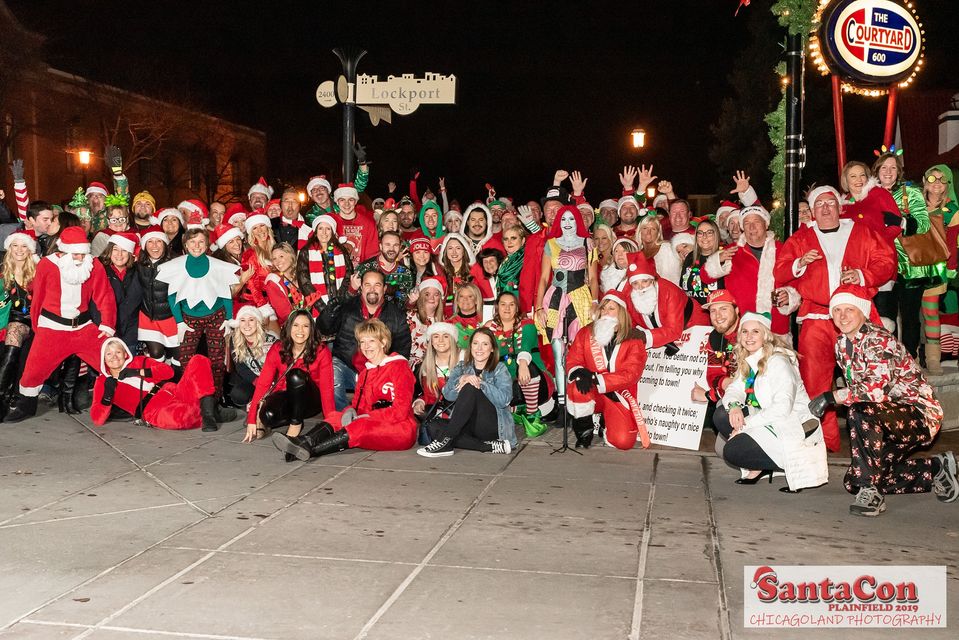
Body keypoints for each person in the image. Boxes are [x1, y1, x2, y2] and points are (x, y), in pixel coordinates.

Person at [808, 285, 956, 515]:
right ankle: (936, 468)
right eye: (837, 310)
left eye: (850, 309)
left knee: (859, 411)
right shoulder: (841, 344)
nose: (843, 316)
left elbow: (874, 391)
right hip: (884, 418)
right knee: (853, 481)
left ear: (863, 312)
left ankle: (871, 492)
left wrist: (831, 396)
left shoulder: (878, 339)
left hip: (917, 415)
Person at [774, 185, 897, 451]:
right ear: (813, 211)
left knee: (868, 380)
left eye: (831, 203)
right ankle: (824, 444)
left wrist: (863, 276)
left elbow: (887, 262)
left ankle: (873, 442)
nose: (826, 208)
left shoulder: (862, 231)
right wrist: (800, 263)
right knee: (814, 382)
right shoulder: (801, 238)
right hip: (817, 318)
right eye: (820, 204)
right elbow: (780, 271)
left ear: (840, 207)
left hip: (857, 320)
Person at [5, 227, 117, 422]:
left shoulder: (93, 265)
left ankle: (123, 400)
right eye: (75, 254)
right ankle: (26, 406)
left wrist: (107, 325)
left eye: (83, 254)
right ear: (64, 251)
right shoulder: (47, 265)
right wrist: (39, 328)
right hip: (52, 328)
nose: (80, 258)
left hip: (83, 328)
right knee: (33, 371)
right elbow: (38, 296)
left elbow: (105, 296)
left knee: (113, 361)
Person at [272, 318, 418, 460]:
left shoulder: (399, 367)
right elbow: (358, 407)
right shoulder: (365, 373)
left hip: (400, 428)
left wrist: (367, 417)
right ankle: (304, 442)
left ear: (383, 342)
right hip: (372, 424)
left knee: (360, 425)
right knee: (337, 416)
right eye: (362, 342)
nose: (366, 347)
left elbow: (400, 411)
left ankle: (309, 450)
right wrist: (350, 411)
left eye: (371, 341)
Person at [716, 312, 828, 491]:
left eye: (755, 332)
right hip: (769, 421)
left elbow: (782, 409)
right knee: (723, 413)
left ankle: (794, 463)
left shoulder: (779, 362)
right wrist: (735, 406)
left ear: (765, 335)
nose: (749, 337)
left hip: (792, 425)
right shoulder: (751, 359)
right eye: (744, 332)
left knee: (732, 451)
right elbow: (734, 389)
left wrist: (744, 426)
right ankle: (758, 466)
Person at [157, 228, 239, 427]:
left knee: (217, 360)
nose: (197, 246)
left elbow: (226, 294)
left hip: (216, 316)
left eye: (201, 242)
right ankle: (192, 399)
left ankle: (214, 403)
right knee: (186, 360)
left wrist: (228, 319)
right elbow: (172, 296)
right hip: (189, 319)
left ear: (207, 244)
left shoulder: (217, 265)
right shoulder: (176, 266)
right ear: (185, 244)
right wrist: (179, 321)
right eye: (192, 242)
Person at [874, 149, 944, 358]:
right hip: (881, 265)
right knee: (884, 317)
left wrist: (901, 222)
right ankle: (888, 361)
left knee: (910, 316)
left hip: (910, 266)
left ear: (899, 172)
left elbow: (923, 223)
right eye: (884, 168)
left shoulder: (909, 192)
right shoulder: (870, 195)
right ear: (876, 171)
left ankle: (910, 360)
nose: (888, 172)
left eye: (893, 168)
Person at [566, 288, 649, 450]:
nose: (605, 312)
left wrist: (597, 379)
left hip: (617, 394)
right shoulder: (586, 333)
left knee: (623, 442)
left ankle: (607, 422)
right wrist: (578, 371)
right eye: (603, 308)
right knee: (577, 387)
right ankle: (584, 432)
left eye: (611, 309)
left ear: (621, 313)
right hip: (592, 392)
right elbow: (573, 358)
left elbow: (630, 374)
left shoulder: (634, 339)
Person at [318, 269, 412, 411]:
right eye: (367, 284)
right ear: (361, 287)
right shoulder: (347, 306)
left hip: (379, 371)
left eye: (377, 285)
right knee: (332, 370)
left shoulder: (396, 315)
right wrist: (336, 306)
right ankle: (341, 420)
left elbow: (402, 350)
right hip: (348, 366)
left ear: (385, 289)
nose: (372, 289)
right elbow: (325, 328)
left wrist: (386, 371)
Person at [417, 327, 515, 457]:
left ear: (492, 349)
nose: (479, 348)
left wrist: (481, 384)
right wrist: (461, 379)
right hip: (468, 425)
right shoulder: (461, 367)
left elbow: (505, 400)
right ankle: (486, 446)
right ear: (471, 346)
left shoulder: (499, 369)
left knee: (470, 387)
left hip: (493, 426)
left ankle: (446, 442)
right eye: (475, 343)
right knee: (433, 426)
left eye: (484, 344)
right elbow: (448, 395)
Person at [246, 309, 336, 448]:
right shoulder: (277, 349)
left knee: (296, 375)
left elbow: (326, 390)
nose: (300, 330)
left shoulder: (321, 351)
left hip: (311, 400)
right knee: (269, 416)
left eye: (305, 326)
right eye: (295, 325)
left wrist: (330, 423)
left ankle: (296, 424)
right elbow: (263, 384)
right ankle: (271, 419)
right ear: (288, 327)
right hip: (287, 395)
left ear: (311, 330)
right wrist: (251, 419)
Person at [90, 337, 222, 430]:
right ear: (104, 359)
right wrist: (107, 394)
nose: (114, 357)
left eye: (118, 352)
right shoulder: (102, 381)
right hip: (155, 409)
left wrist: (139, 371)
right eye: (109, 354)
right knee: (178, 417)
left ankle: (208, 415)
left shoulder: (138, 361)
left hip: (174, 391)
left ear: (125, 354)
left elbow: (168, 372)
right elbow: (97, 419)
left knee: (199, 360)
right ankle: (209, 411)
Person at [702, 205, 790, 336]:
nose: (752, 227)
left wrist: (790, 296)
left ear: (766, 224)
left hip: (776, 328)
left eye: (756, 222)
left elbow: (797, 282)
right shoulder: (732, 251)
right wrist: (718, 260)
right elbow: (705, 277)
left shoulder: (782, 250)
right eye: (747, 223)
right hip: (743, 328)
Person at [485, 291, 554, 434]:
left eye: (512, 305)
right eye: (503, 304)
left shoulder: (527, 324)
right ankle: (514, 410)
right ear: (497, 307)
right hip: (507, 385)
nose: (507, 308)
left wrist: (522, 364)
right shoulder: (490, 328)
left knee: (528, 368)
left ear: (517, 308)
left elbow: (525, 347)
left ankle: (532, 416)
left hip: (535, 381)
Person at [535, 205, 599, 344]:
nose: (567, 223)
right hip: (555, 297)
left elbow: (593, 277)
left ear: (577, 221)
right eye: (563, 219)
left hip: (580, 297)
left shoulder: (587, 243)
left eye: (571, 219)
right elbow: (544, 278)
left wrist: (595, 301)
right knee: (555, 343)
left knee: (580, 341)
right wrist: (539, 306)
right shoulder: (550, 244)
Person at [626, 252, 709, 353]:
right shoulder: (631, 297)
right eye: (635, 283)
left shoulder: (669, 291)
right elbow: (630, 323)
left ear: (652, 280)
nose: (640, 287)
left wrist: (645, 336)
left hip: (694, 327)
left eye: (644, 281)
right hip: (663, 340)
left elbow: (673, 330)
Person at [920, 164, 958, 374]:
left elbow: (953, 242)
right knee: (908, 315)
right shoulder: (911, 204)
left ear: (947, 185)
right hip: (910, 267)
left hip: (936, 268)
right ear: (925, 181)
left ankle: (933, 359)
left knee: (931, 312)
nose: (937, 184)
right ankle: (910, 357)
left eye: (942, 180)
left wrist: (951, 267)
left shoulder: (952, 210)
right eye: (933, 179)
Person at [691, 289, 740, 433]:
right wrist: (726, 383)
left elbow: (750, 384)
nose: (718, 316)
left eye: (724, 309)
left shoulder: (748, 333)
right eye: (713, 311)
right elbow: (713, 375)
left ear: (736, 310)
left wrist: (708, 395)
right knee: (720, 447)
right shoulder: (714, 337)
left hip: (758, 401)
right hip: (732, 395)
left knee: (720, 415)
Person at [0, 231, 36, 410]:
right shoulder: (2, 270)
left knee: (13, 342)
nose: (19, 250)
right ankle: (7, 394)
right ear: (9, 248)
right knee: (11, 353)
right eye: (15, 245)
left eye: (24, 246)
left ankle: (1, 397)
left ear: (30, 250)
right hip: (5, 318)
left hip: (29, 319)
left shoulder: (38, 270)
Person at [135, 226, 179, 366]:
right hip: (148, 317)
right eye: (150, 242)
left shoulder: (176, 262)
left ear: (165, 244)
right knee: (156, 353)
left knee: (178, 356)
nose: (154, 246)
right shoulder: (138, 264)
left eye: (158, 241)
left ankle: (177, 384)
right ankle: (160, 384)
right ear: (144, 245)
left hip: (171, 317)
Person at [295, 214, 353, 317]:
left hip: (340, 305)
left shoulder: (341, 251)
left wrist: (339, 299)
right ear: (316, 232)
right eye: (321, 228)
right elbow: (304, 281)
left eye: (328, 229)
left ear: (333, 232)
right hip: (316, 307)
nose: (324, 233)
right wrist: (321, 307)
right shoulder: (306, 251)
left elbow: (348, 275)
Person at [101, 232, 143, 351]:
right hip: (106, 331)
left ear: (130, 254)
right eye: (115, 249)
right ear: (110, 251)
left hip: (131, 332)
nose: (119, 254)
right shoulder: (101, 271)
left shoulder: (139, 272)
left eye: (124, 250)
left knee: (129, 366)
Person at [228, 305, 276, 409]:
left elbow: (279, 366)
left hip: (272, 379)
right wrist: (256, 381)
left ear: (257, 322)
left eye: (251, 320)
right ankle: (254, 400)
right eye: (243, 320)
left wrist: (267, 383)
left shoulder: (272, 339)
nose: (247, 325)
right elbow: (240, 367)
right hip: (254, 378)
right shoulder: (235, 340)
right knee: (238, 394)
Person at [412, 322, 461, 420]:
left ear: (452, 339)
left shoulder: (464, 362)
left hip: (461, 411)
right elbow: (422, 394)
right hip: (436, 412)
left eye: (446, 336)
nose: (441, 340)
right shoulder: (423, 366)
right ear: (431, 341)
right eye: (436, 336)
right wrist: (419, 402)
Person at [354, 230, 415, 303]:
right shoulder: (364, 268)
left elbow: (404, 304)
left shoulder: (406, 273)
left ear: (400, 247)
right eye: (387, 244)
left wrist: (411, 303)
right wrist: (352, 289)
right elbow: (352, 301)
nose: (391, 249)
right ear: (380, 246)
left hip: (394, 313)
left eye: (395, 245)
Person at [263, 242, 313, 326]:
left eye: (281, 256)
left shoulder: (302, 275)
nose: (278, 261)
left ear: (291, 256)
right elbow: (284, 314)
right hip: (290, 327)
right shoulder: (273, 281)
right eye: (274, 258)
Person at [679, 218, 724, 308]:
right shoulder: (690, 257)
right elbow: (683, 287)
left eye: (709, 232)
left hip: (715, 312)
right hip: (693, 313)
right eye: (700, 233)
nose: (704, 236)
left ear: (716, 235)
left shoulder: (724, 257)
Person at [240, 210, 276, 320]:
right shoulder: (250, 254)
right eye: (255, 228)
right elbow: (251, 283)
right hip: (256, 303)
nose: (260, 230)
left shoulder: (275, 249)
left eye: (262, 225)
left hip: (274, 299)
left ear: (268, 227)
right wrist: (263, 306)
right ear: (251, 233)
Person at [407, 277, 446, 369]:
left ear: (440, 298)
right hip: (415, 365)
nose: (431, 298)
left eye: (436, 294)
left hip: (438, 364)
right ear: (421, 297)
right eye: (427, 294)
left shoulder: (444, 320)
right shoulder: (410, 316)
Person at [637, 214, 682, 286]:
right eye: (645, 228)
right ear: (640, 231)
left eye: (653, 229)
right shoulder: (637, 253)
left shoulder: (666, 248)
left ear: (658, 233)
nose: (648, 232)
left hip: (667, 292)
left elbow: (674, 278)